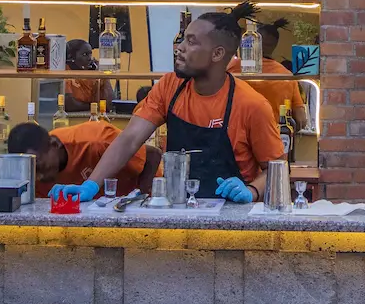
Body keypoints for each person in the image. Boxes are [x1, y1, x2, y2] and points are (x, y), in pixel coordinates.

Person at [65, 11, 285, 203]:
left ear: (217, 54)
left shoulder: (252, 105)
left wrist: (251, 191)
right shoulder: (170, 87)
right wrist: (91, 185)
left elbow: (278, 170)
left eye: (191, 42)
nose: (180, 48)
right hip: (178, 210)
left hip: (232, 219)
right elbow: (129, 139)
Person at [7, 119, 160, 196]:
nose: (38, 177)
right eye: (32, 171)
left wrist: (142, 199)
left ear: (54, 144)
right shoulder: (28, 173)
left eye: (39, 167)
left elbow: (153, 155)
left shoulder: (96, 140)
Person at [229, 14, 306, 125]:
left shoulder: (232, 67)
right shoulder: (286, 76)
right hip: (271, 135)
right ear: (274, 45)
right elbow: (301, 120)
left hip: (235, 134)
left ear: (255, 41)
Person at [60, 38, 114, 113]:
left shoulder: (92, 73)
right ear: (70, 57)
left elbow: (108, 104)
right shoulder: (65, 72)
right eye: (85, 54)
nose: (90, 58)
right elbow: (70, 104)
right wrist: (94, 106)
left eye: (90, 54)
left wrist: (104, 77)